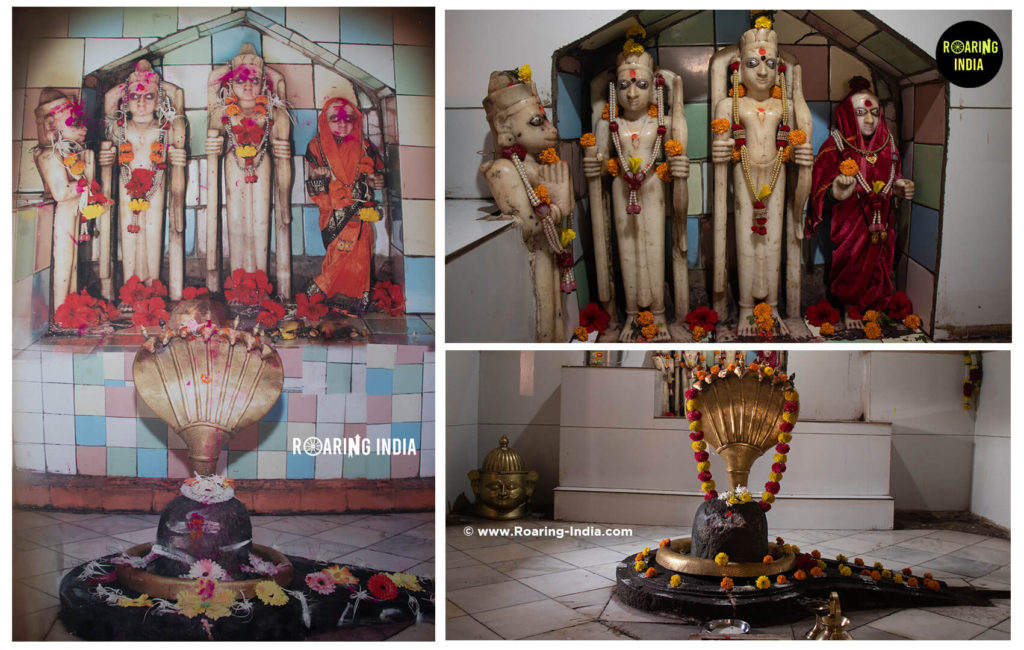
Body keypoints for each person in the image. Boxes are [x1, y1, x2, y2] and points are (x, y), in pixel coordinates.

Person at [807, 76, 914, 329]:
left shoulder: (887, 144)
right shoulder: (836, 145)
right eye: (861, 113)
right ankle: (850, 306)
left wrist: (900, 186)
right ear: (846, 115)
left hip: (882, 219)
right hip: (850, 222)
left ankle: (875, 304)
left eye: (875, 113)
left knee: (881, 260)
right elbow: (820, 185)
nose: (869, 120)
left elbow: (893, 175)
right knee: (850, 261)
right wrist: (837, 190)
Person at [304, 96, 385, 311]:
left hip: (360, 213)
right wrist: (318, 176)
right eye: (335, 119)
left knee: (359, 256)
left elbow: (373, 175)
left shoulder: (365, 147)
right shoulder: (316, 147)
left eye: (348, 119)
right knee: (338, 254)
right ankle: (322, 290)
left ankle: (350, 299)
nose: (341, 124)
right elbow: (312, 184)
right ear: (324, 121)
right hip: (333, 213)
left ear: (356, 121)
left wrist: (375, 180)